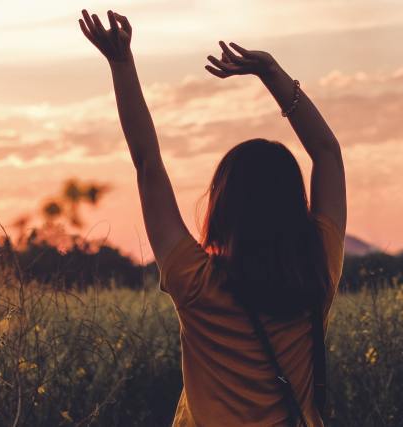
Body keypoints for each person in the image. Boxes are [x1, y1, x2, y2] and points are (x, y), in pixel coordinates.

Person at [79, 9, 346, 426]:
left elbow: (148, 163)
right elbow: (327, 154)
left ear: (223, 206)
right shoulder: (318, 270)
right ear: (294, 204)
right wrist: (272, 73)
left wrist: (121, 64)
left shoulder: (195, 281)